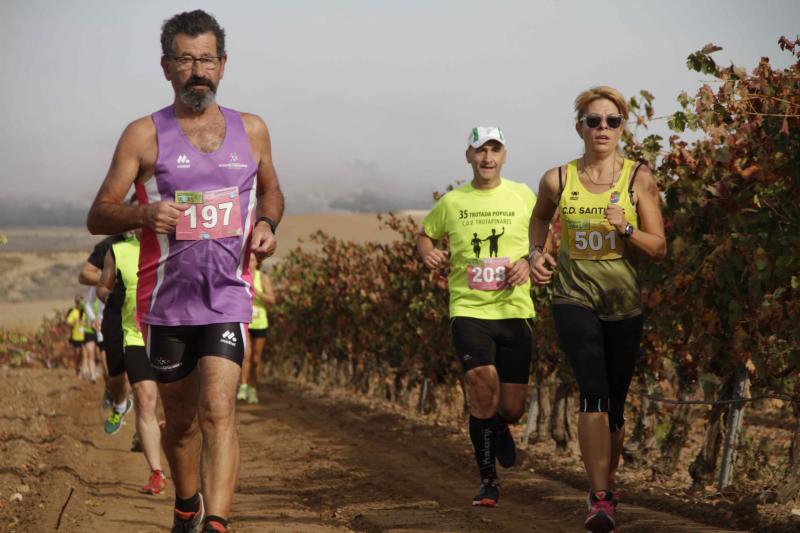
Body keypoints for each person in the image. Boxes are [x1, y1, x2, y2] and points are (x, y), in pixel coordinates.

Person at [86, 10, 284, 533]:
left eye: (206, 60)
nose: (198, 71)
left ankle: (216, 522)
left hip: (228, 294)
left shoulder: (254, 130)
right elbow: (98, 214)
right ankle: (185, 505)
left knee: (220, 412)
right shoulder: (142, 136)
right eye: (185, 59)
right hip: (167, 302)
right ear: (166, 66)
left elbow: (272, 190)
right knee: (181, 426)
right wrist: (143, 213)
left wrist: (266, 222)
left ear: (223, 65)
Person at [528, 86, 666, 532]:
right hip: (573, 298)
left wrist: (625, 228)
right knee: (593, 392)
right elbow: (538, 218)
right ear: (580, 128)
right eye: (594, 121)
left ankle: (606, 486)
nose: (602, 128)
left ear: (622, 127)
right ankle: (600, 498)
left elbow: (659, 247)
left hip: (623, 304)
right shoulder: (558, 179)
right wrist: (536, 254)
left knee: (617, 406)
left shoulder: (638, 178)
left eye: (611, 121)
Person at [417, 127, 536, 507]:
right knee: (482, 388)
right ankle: (488, 480)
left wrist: (529, 262)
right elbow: (425, 234)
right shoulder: (452, 202)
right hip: (468, 310)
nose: (487, 157)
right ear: (468, 156)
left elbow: (544, 237)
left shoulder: (523, 195)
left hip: (515, 311)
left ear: (504, 156)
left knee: (512, 407)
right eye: (480, 150)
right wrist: (427, 253)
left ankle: (501, 425)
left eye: (494, 149)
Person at [98, 231, 166, 495]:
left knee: (180, 410)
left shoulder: (176, 244)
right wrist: (108, 296)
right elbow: (102, 286)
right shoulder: (119, 251)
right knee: (146, 398)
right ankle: (157, 472)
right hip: (136, 334)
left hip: (173, 334)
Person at [237, 253, 275, 404]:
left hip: (260, 323)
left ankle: (253, 387)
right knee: (246, 355)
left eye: (252, 260)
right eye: (247, 260)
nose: (250, 263)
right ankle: (243, 386)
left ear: (257, 262)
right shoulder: (239, 276)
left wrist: (256, 292)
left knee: (255, 359)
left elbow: (272, 299)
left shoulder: (262, 278)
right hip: (244, 321)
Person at [66, 296, 86, 378]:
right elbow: (68, 322)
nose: (79, 304)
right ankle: (77, 368)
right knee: (78, 354)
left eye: (81, 302)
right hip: (76, 337)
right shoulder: (73, 312)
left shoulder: (85, 312)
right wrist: (74, 323)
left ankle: (82, 370)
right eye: (78, 302)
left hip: (85, 336)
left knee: (84, 354)